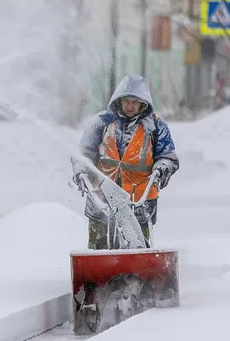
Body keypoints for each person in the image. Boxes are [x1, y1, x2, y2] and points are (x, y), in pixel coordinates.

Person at [73, 74, 179, 249]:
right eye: (126, 101)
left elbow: (168, 157)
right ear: (119, 101)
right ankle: (98, 272)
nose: (130, 106)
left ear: (143, 103)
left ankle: (139, 273)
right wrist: (81, 169)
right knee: (99, 245)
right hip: (102, 195)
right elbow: (84, 152)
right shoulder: (102, 122)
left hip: (139, 199)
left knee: (138, 246)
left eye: (135, 102)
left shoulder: (156, 127)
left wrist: (162, 168)